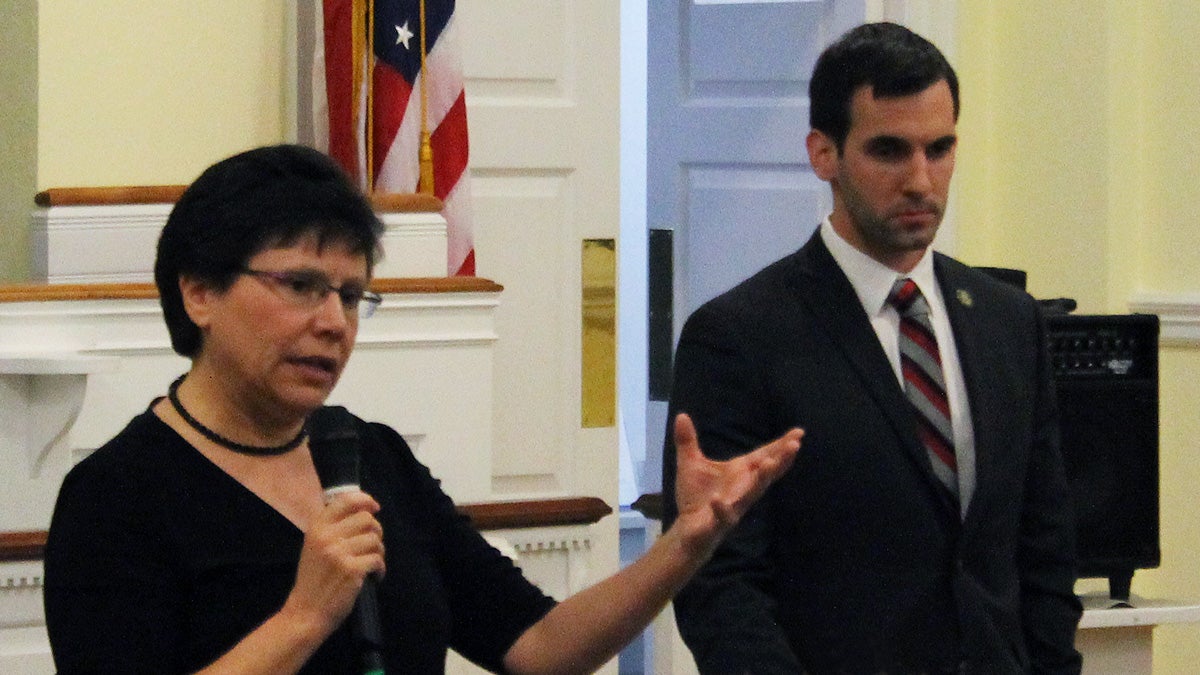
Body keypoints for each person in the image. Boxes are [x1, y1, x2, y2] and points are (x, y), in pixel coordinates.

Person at [43, 144, 803, 675]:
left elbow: (538, 646)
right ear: (199, 290)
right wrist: (304, 616)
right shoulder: (119, 495)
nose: (334, 321)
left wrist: (686, 543)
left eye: (350, 295)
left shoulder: (370, 457)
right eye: (302, 286)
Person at [662, 22, 1082, 674]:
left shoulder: (1008, 322)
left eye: (939, 149)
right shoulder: (741, 337)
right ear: (823, 154)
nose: (922, 179)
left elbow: (1045, 546)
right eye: (890, 151)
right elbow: (721, 583)